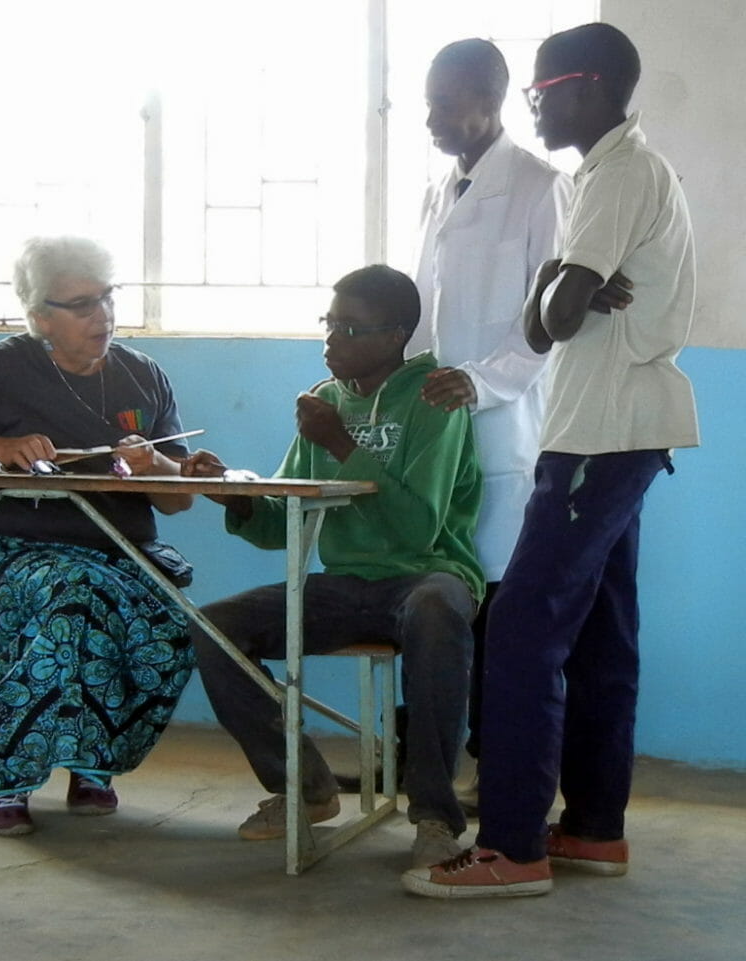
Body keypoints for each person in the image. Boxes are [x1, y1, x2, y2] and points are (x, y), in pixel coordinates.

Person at [403, 22, 699, 898]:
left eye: (545, 87)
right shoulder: (620, 174)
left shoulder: (611, 174)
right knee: (604, 631)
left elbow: (552, 320)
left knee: (525, 630)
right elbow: (566, 299)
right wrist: (562, 285)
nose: (538, 103)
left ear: (593, 86)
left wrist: (550, 287)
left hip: (592, 431)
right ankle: (595, 827)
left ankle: (512, 845)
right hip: (618, 427)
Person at [0, 235, 196, 836]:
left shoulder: (144, 376)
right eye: (81, 305)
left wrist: (155, 465)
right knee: (73, 601)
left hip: (121, 557)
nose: (102, 315)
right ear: (38, 318)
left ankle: (93, 762)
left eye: (107, 298)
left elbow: (178, 499)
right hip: (1, 559)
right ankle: (6, 778)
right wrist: (0, 450)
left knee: (171, 630)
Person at [183, 265, 484, 868]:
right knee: (214, 627)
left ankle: (433, 816)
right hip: (347, 583)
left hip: (427, 572)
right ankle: (305, 788)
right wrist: (231, 495)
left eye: (351, 328)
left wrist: (342, 441)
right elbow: (283, 524)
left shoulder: (434, 398)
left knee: (435, 612)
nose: (331, 340)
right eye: (330, 323)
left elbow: (415, 528)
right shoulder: (323, 403)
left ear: (397, 335)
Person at [338, 39, 573, 804]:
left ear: (489, 98)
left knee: (498, 608)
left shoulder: (541, 188)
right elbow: (423, 315)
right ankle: (425, 763)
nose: (432, 118)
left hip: (502, 425)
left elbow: (551, 319)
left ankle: (494, 767)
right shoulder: (441, 191)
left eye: (446, 102)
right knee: (432, 586)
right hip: (432, 424)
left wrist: (481, 383)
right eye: (428, 103)